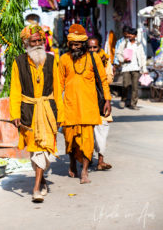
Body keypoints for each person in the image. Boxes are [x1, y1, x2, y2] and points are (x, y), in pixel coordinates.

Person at [9, 25, 64, 202]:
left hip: (48, 111)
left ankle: (36, 187)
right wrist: (14, 114)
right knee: (35, 150)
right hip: (29, 111)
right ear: (26, 43)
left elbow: (57, 89)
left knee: (44, 150)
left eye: (40, 40)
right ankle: (41, 181)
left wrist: (60, 115)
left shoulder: (51, 59)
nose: (38, 43)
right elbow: (15, 90)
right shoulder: (18, 62)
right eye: (34, 41)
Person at [59, 24, 111, 184]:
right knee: (70, 140)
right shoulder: (64, 59)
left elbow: (103, 80)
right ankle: (73, 163)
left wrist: (107, 100)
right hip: (70, 107)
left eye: (78, 44)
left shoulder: (93, 58)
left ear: (83, 44)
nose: (74, 47)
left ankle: (84, 172)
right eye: (72, 44)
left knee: (87, 141)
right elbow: (59, 84)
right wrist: (56, 105)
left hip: (89, 107)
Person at [88, 36, 113, 171]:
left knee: (101, 130)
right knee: (88, 131)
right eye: (89, 48)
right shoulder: (83, 60)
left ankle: (101, 160)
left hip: (102, 99)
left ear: (99, 47)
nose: (92, 50)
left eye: (94, 47)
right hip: (87, 99)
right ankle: (88, 157)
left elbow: (108, 80)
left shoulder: (105, 61)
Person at [116, 27, 148, 110]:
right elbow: (118, 53)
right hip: (126, 67)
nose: (130, 35)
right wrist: (123, 59)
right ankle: (123, 99)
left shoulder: (138, 45)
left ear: (135, 36)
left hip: (136, 68)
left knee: (135, 87)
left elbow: (142, 57)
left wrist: (144, 69)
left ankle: (133, 104)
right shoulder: (124, 43)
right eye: (129, 34)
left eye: (132, 34)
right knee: (125, 85)